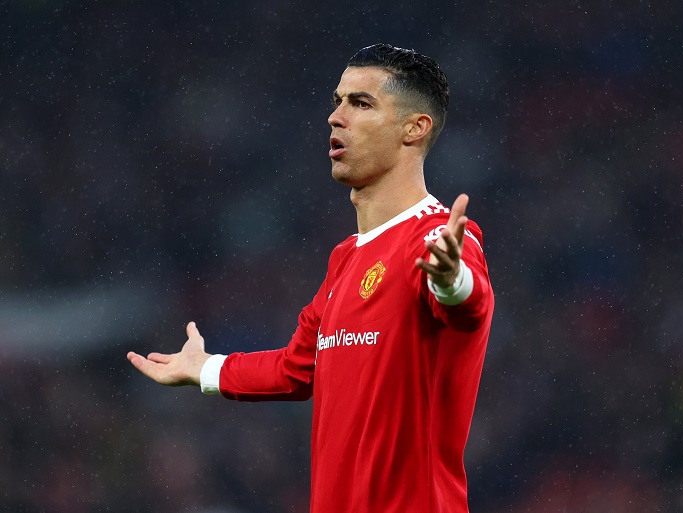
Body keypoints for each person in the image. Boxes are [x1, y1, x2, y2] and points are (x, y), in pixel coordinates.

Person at [127, 43, 495, 513]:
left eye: (361, 103)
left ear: (414, 128)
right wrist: (207, 369)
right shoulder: (345, 259)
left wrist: (450, 280)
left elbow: (469, 306)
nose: (336, 117)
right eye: (338, 101)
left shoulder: (436, 238)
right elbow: (297, 369)